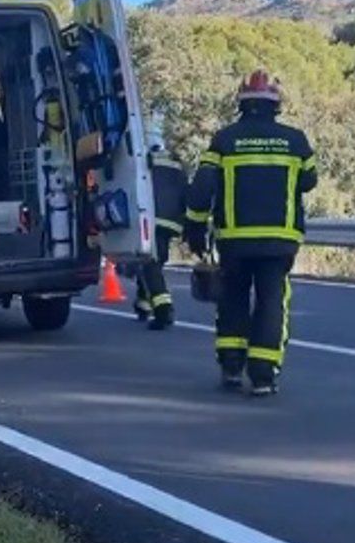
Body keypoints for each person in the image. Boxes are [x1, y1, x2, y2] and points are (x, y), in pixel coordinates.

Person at [184, 70, 318, 396]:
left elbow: (202, 187)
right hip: (279, 240)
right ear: (276, 105)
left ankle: (231, 367)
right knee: (272, 301)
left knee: (233, 298)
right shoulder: (296, 140)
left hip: (234, 239)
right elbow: (309, 180)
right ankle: (263, 374)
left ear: (241, 104)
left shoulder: (224, 140)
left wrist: (195, 227)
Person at [135, 136, 186, 331]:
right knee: (151, 262)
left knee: (150, 263)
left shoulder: (145, 161)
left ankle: (163, 309)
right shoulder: (177, 165)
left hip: (150, 217)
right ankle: (143, 303)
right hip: (172, 221)